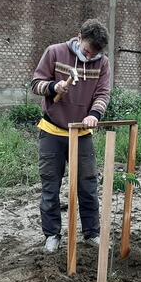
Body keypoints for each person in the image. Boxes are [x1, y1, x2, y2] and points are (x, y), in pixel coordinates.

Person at [30, 19, 111, 253]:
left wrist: (95, 114)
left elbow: (103, 93)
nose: (90, 56)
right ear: (78, 37)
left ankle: (91, 233)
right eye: (87, 50)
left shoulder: (102, 63)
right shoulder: (55, 52)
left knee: (87, 185)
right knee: (50, 186)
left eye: (95, 53)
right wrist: (54, 87)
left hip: (81, 132)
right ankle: (52, 235)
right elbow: (35, 84)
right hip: (52, 131)